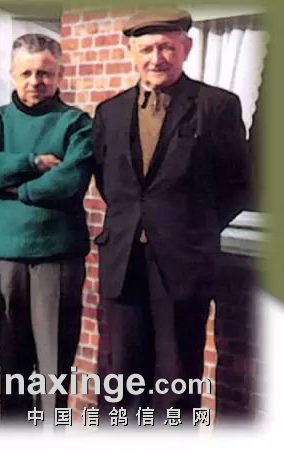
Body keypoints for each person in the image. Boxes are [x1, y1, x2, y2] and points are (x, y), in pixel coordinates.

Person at [92, 7, 251, 423]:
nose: (156, 58)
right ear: (131, 52)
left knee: (177, 373)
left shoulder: (216, 106)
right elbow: (109, 182)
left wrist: (194, 228)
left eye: (166, 47)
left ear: (187, 48)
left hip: (185, 262)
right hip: (124, 259)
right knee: (122, 371)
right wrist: (137, 223)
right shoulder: (109, 112)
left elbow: (239, 182)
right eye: (146, 49)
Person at [0, 33, 94, 424]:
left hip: (57, 258)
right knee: (12, 361)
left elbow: (69, 180)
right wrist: (32, 163)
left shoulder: (76, 123)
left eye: (44, 73)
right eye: (26, 73)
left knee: (54, 364)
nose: (35, 81)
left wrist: (13, 190)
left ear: (59, 75)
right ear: (12, 74)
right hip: (3, 257)